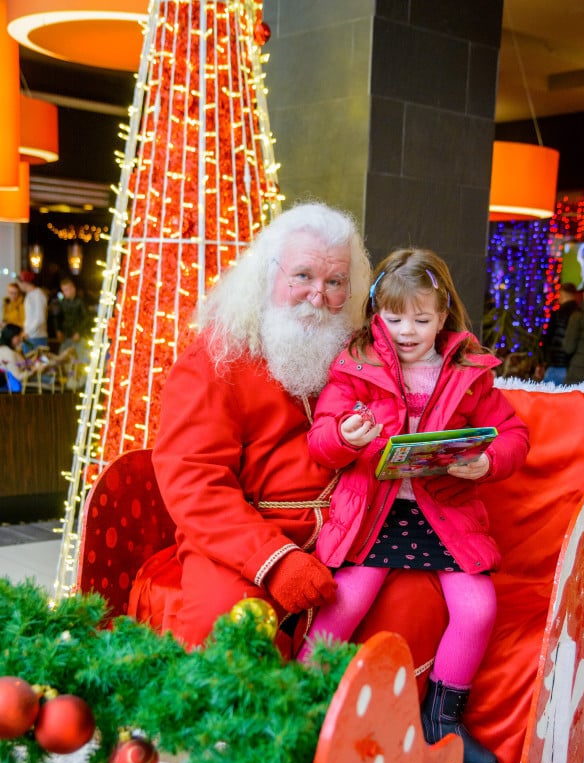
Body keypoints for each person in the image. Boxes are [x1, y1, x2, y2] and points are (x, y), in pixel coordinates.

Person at [152, 202, 449, 656]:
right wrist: (273, 561)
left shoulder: (359, 353)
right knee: (230, 626)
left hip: (349, 535)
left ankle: (366, 727)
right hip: (243, 541)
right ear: (266, 275)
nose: (318, 296)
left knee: (417, 604)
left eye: (334, 283)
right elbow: (194, 481)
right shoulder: (215, 358)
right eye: (303, 276)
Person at [302, 249, 530, 763]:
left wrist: (486, 460)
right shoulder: (356, 364)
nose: (407, 331)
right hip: (373, 514)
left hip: (444, 512)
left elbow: (514, 435)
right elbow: (320, 440)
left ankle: (443, 718)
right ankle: (300, 700)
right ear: (376, 313)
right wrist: (342, 437)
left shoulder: (470, 371)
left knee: (477, 610)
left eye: (421, 319)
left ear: (444, 315)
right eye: (394, 317)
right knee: (345, 601)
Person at [540, 282, 578, 385]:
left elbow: (548, 338)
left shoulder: (557, 314)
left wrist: (544, 360)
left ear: (563, 294)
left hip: (556, 364)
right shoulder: (581, 313)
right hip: (575, 365)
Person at [16, 270, 49, 349]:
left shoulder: (38, 295)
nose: (19, 285)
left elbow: (40, 318)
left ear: (24, 282)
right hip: (30, 336)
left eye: (19, 283)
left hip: (36, 337)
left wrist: (28, 332)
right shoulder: (30, 295)